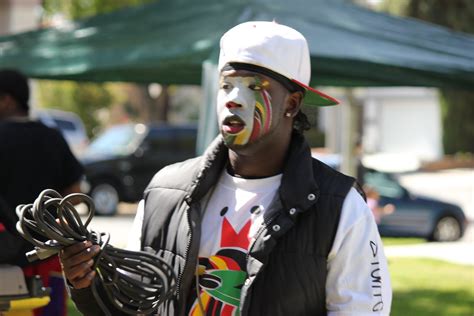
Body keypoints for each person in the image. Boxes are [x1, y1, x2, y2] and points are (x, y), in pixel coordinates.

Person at [62, 21, 392, 315]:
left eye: (254, 87)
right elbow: (134, 305)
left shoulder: (340, 205)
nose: (232, 99)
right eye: (226, 85)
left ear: (292, 103)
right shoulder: (165, 193)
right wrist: (86, 286)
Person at [0, 69, 84, 316]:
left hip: (5, 259)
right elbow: (76, 194)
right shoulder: (53, 137)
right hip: (49, 255)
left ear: (6, 100)